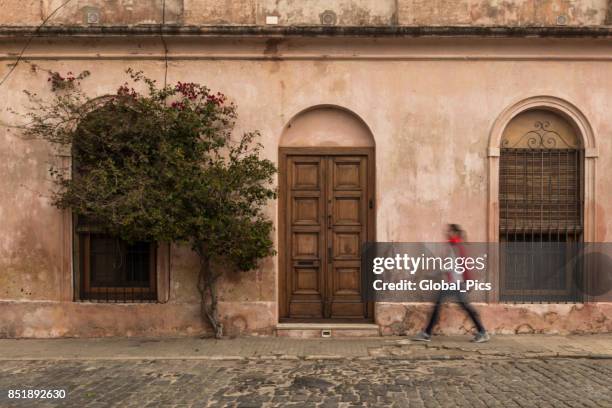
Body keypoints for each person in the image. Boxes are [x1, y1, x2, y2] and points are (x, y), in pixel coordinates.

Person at [413, 224, 490, 343]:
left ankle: (482, 332)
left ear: (454, 233)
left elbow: (452, 267)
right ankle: (426, 333)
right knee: (441, 306)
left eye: (449, 232)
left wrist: (429, 275)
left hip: (457, 284)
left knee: (465, 307)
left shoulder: (456, 246)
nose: (447, 234)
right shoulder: (454, 246)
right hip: (451, 284)